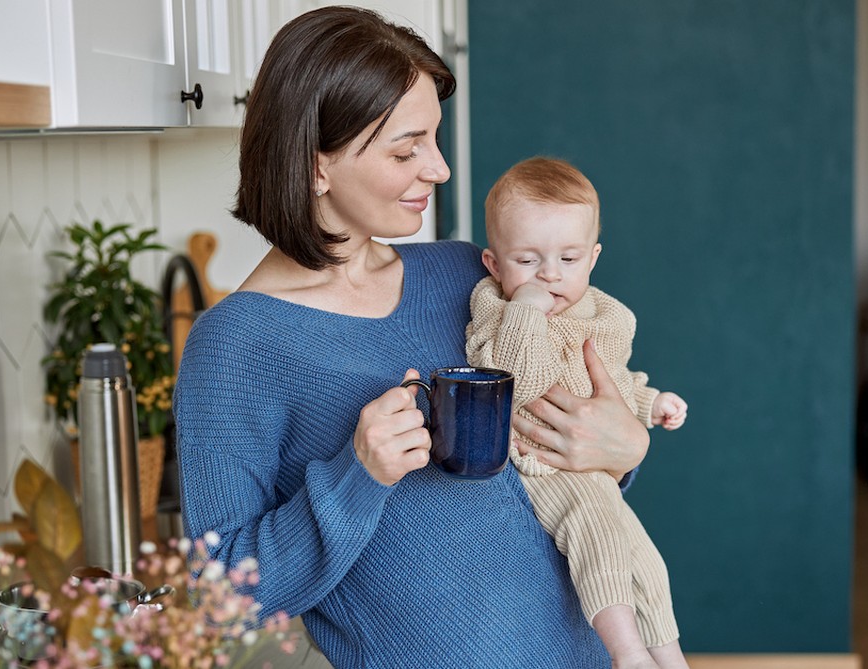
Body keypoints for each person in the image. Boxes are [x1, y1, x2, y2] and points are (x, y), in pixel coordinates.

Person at [173, 7, 650, 668]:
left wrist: (625, 448)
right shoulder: (236, 345)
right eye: (407, 148)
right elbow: (216, 596)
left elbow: (551, 470)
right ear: (317, 164)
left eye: (435, 140)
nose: (440, 169)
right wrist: (357, 474)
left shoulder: (466, 275)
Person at [465, 156, 689, 669]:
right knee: (600, 538)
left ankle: (671, 659)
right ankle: (626, 654)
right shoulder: (495, 309)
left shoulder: (603, 314)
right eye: (527, 261)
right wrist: (524, 308)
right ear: (494, 265)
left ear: (593, 257)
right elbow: (518, 379)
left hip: (594, 471)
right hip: (541, 464)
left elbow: (611, 379)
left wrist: (649, 402)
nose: (548, 275)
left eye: (569, 259)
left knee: (645, 560)